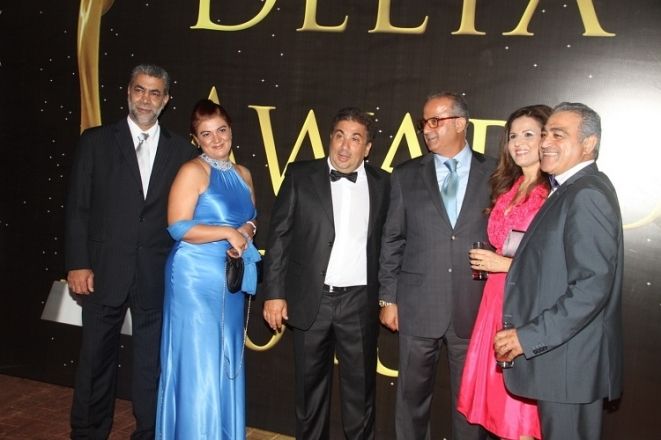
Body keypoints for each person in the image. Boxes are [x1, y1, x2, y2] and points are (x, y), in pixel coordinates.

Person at [65, 64, 198, 439]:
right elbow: (78, 208)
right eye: (140, 90)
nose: (146, 99)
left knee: (151, 366)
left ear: (166, 100)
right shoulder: (95, 142)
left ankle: (149, 432)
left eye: (155, 93)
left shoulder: (182, 151)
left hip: (155, 274)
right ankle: (88, 432)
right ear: (128, 92)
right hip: (103, 270)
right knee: (95, 361)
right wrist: (78, 263)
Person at [494, 102, 624, 440]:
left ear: (589, 143)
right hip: (564, 362)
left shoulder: (586, 194)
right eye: (546, 134)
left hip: (570, 366)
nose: (546, 143)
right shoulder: (570, 188)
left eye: (559, 135)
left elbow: (590, 288)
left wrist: (528, 337)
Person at [262, 107, 390, 439]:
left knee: (360, 395)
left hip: (359, 303)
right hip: (311, 301)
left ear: (367, 148)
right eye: (339, 136)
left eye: (355, 139)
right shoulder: (299, 175)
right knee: (309, 395)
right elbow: (278, 239)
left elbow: (392, 245)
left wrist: (390, 297)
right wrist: (274, 294)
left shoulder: (384, 184)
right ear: (329, 138)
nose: (345, 146)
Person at [379, 91, 496, 440]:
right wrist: (388, 298)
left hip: (474, 305)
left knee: (470, 403)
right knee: (411, 400)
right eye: (424, 123)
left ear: (460, 123)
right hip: (417, 305)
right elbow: (393, 239)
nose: (427, 130)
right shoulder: (405, 175)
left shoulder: (496, 173)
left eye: (435, 121)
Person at [155, 99, 259, 439]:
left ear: (231, 130)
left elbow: (251, 219)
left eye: (221, 130)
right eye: (206, 133)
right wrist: (227, 232)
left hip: (228, 277)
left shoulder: (243, 174)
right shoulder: (193, 171)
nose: (216, 139)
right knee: (200, 360)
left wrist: (247, 230)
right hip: (194, 277)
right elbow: (177, 227)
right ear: (195, 139)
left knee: (226, 357)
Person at [457, 105, 552, 440]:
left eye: (529, 134)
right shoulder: (510, 187)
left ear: (546, 139)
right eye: (513, 136)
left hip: (527, 304)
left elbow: (558, 264)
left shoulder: (553, 193)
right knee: (498, 409)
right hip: (495, 302)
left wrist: (505, 265)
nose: (518, 143)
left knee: (521, 415)